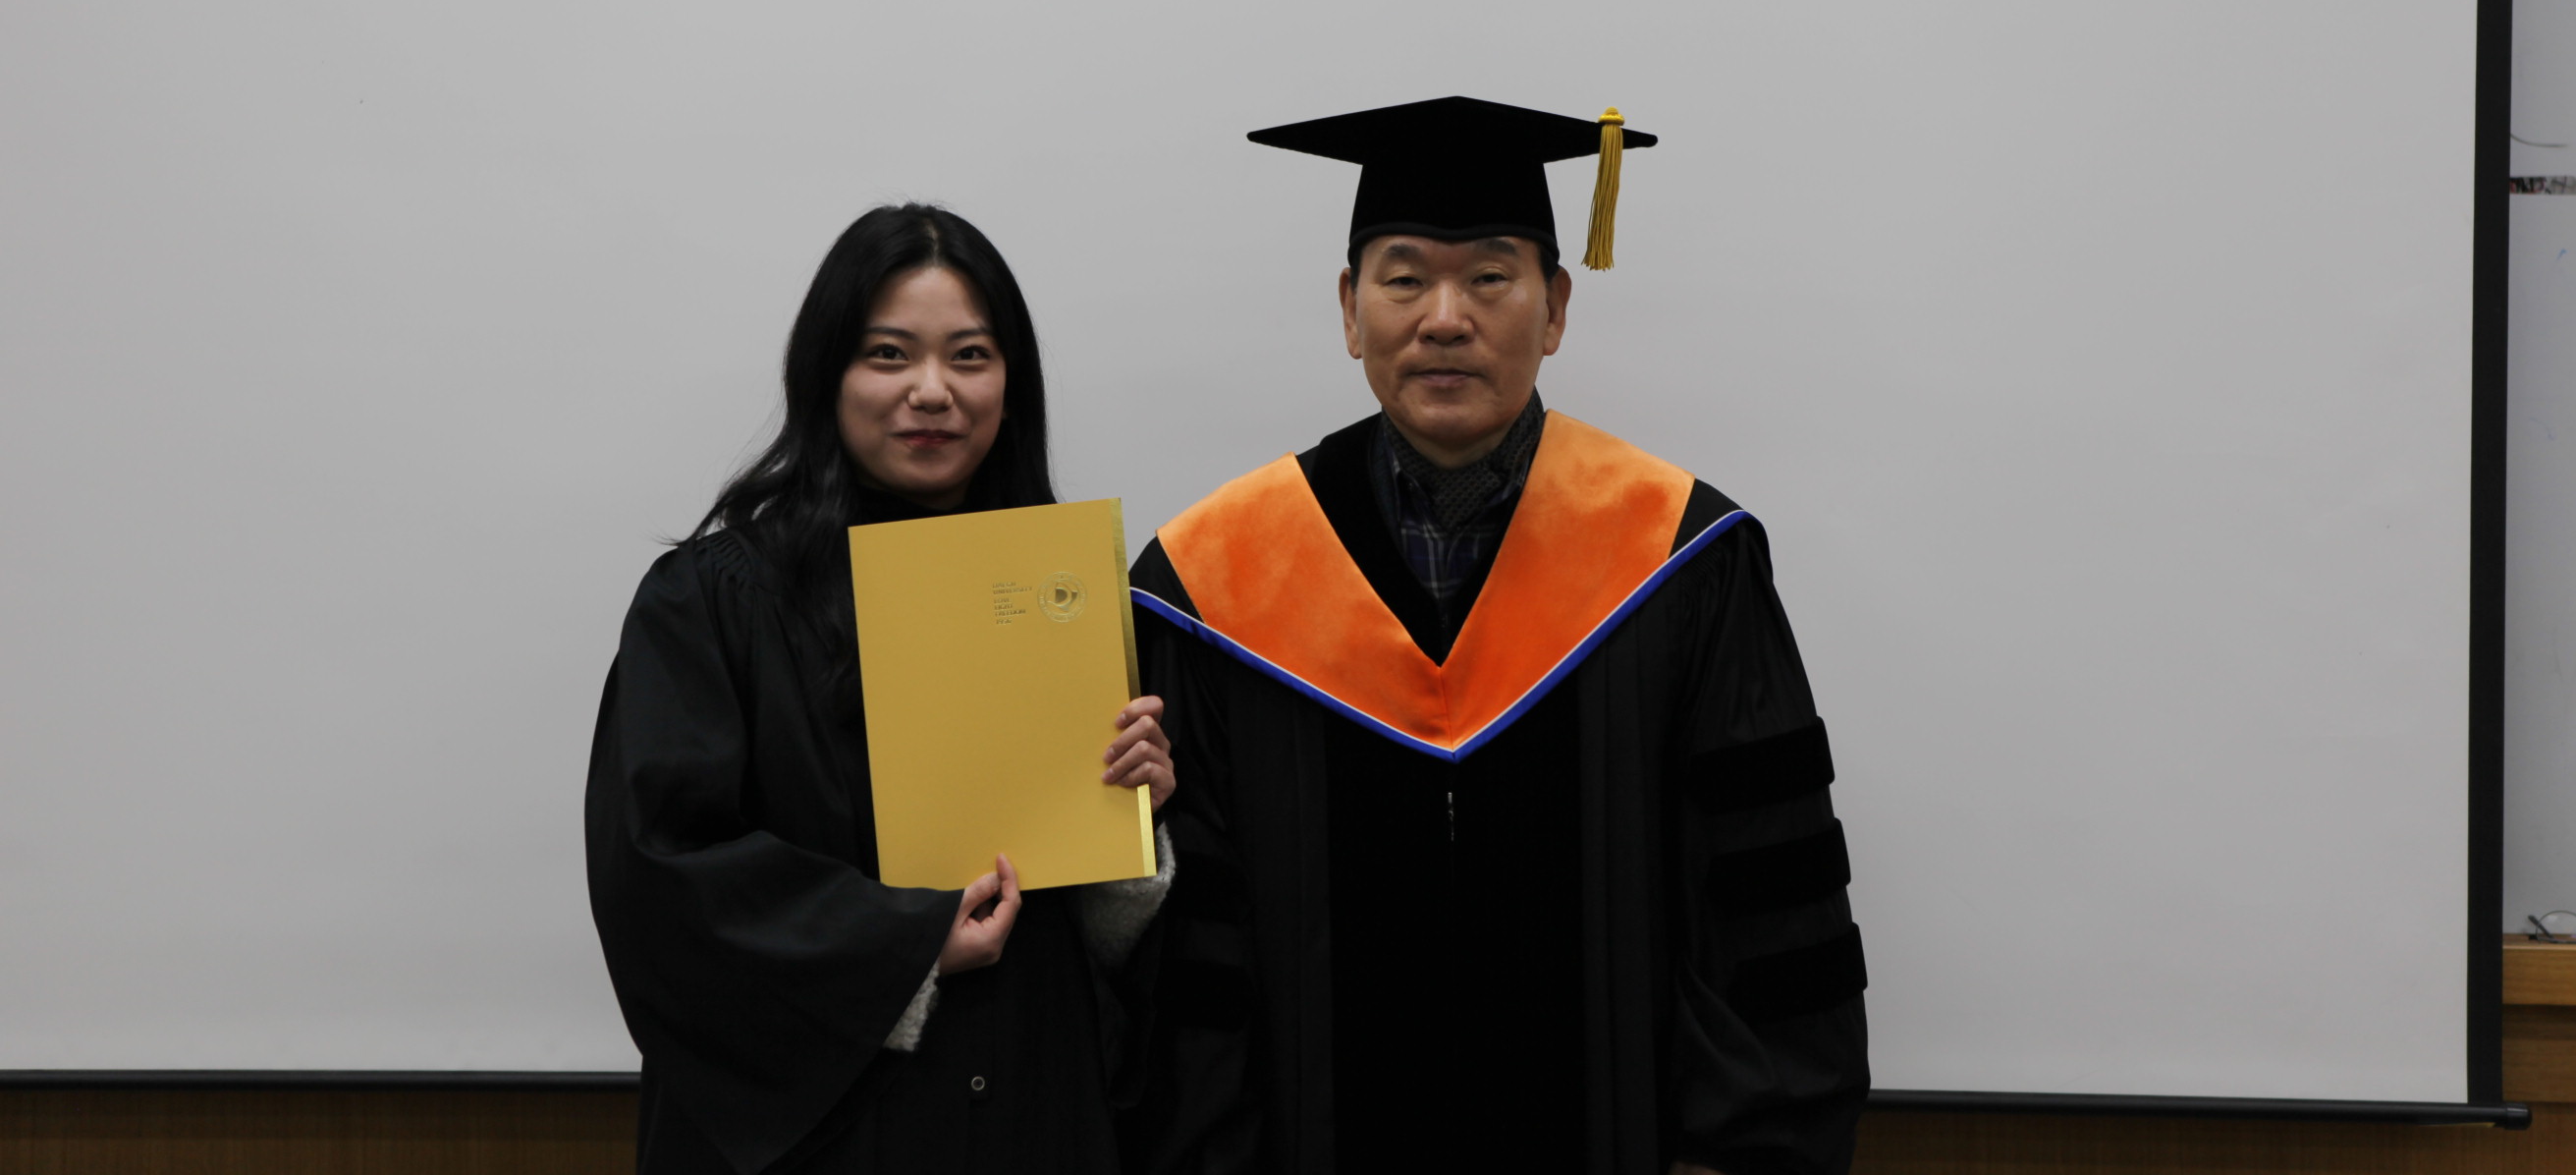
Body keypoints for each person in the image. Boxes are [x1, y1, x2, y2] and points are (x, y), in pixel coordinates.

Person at [1124, 98, 1868, 1175]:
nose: (1445, 317)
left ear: (1554, 307)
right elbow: (1194, 958)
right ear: (1349, 309)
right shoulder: (1210, 586)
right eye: (1403, 278)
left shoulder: (1683, 560)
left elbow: (1762, 919)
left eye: (1488, 277)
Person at [586, 202, 1178, 1174]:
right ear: (827, 373)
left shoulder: (1064, 600)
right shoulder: (711, 603)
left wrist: (1130, 829)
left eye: (971, 355)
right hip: (830, 1140)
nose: (932, 391)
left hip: (1033, 1106)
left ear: (1012, 383)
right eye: (889, 354)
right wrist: (907, 945)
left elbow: (1110, 951)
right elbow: (662, 882)